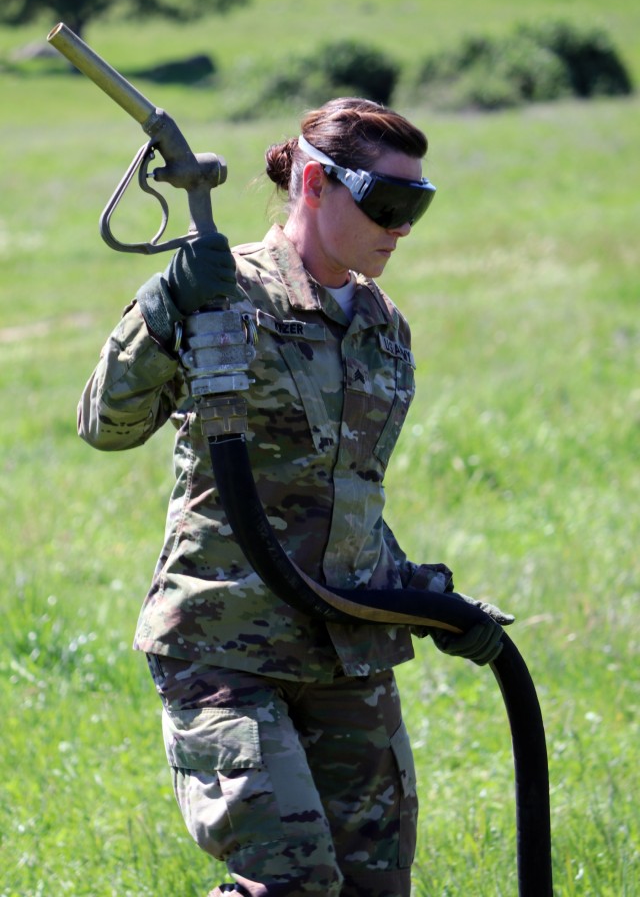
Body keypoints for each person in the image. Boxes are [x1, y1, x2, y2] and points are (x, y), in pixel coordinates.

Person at [78, 97, 513, 897]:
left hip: (348, 649)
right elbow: (104, 424)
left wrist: (428, 599)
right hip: (225, 646)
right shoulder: (218, 290)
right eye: (387, 203)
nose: (402, 227)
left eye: (417, 206)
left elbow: (348, 498)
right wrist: (162, 304)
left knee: (375, 888)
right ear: (314, 183)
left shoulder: (385, 326)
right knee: (296, 885)